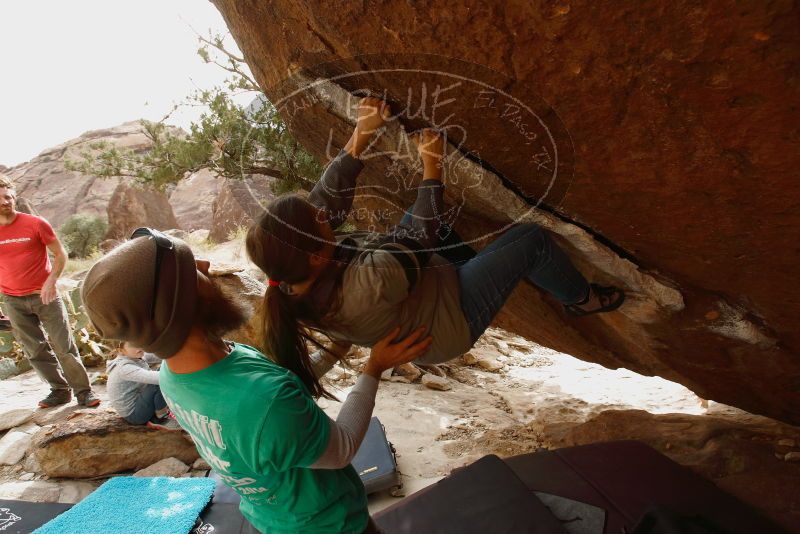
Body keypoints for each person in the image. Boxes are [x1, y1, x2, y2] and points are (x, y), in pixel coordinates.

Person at [245, 97, 625, 395]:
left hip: (418, 291)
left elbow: (325, 201)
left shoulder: (289, 274)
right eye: (318, 221)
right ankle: (580, 300)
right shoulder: (364, 288)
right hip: (445, 324)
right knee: (530, 241)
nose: (322, 214)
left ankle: (487, 267)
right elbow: (416, 237)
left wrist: (362, 132)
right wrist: (432, 164)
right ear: (313, 255)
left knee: (433, 229)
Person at [81, 228, 431, 533]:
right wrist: (373, 368)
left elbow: (275, 401)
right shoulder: (262, 401)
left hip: (275, 517)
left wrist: (333, 351)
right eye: (192, 274)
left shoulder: (177, 377)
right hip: (329, 524)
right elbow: (340, 450)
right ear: (181, 310)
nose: (205, 266)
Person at [0, 175, 100, 408]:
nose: (5, 202)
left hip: (45, 296)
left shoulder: (35, 224)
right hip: (13, 300)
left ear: (14, 198)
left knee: (64, 346)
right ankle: (59, 390)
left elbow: (61, 254)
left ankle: (84, 392)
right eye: (0, 198)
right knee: (34, 349)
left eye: (8, 197)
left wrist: (51, 281)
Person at [106, 341, 180, 430]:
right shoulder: (124, 368)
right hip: (135, 415)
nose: (139, 346)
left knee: (165, 366)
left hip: (140, 402)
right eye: (133, 345)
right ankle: (161, 418)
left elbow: (163, 355)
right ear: (121, 350)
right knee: (157, 383)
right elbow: (160, 378)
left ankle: (160, 411)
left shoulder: (135, 355)